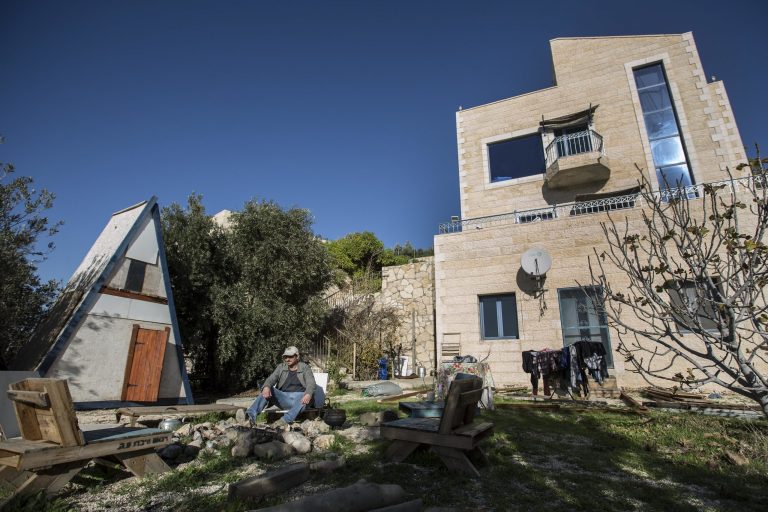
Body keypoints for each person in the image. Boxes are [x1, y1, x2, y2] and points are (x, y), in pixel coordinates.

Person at [245, 346, 325, 427]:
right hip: (283, 398)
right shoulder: (281, 367)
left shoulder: (305, 368)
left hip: (300, 398)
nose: (287, 359)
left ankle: (284, 420)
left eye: (290, 356)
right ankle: (250, 416)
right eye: (285, 357)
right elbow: (271, 379)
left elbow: (311, 383)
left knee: (307, 395)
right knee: (267, 389)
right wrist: (266, 387)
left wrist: (308, 394)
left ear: (297, 356)